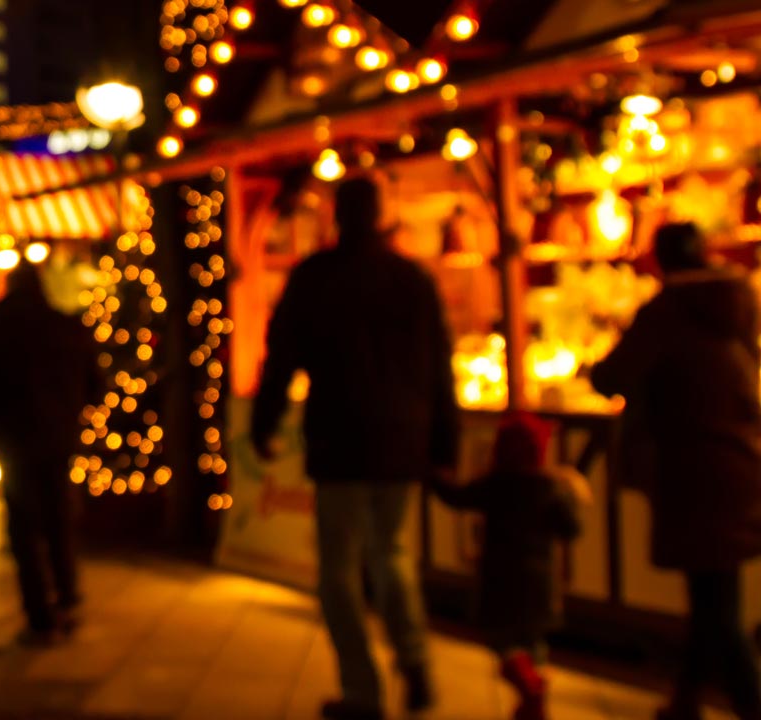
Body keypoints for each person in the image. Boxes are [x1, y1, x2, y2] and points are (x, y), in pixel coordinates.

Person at [250, 176, 457, 720]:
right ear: (383, 216)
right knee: (391, 552)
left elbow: (281, 358)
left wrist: (264, 423)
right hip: (401, 437)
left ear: (336, 217)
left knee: (338, 568)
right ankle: (413, 658)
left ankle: (362, 690)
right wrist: (445, 442)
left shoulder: (314, 278)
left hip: (339, 435)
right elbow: (441, 366)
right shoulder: (412, 279)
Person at [592, 223, 761, 720]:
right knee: (712, 592)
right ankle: (687, 699)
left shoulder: (666, 312)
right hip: (736, 463)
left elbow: (611, 375)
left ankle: (749, 701)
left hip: (692, 471)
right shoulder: (736, 303)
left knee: (715, 602)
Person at [0, 262, 99, 645]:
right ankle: (67, 596)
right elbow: (94, 382)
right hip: (57, 438)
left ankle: (39, 612)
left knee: (24, 527)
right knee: (59, 519)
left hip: (14, 439)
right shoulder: (64, 326)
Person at [431, 412, 587, 720]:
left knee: (503, 643)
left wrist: (434, 472)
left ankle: (527, 689)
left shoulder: (494, 484)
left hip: (501, 582)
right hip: (542, 587)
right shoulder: (550, 488)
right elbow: (572, 529)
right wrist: (572, 493)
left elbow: (456, 497)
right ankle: (533, 698)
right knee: (535, 645)